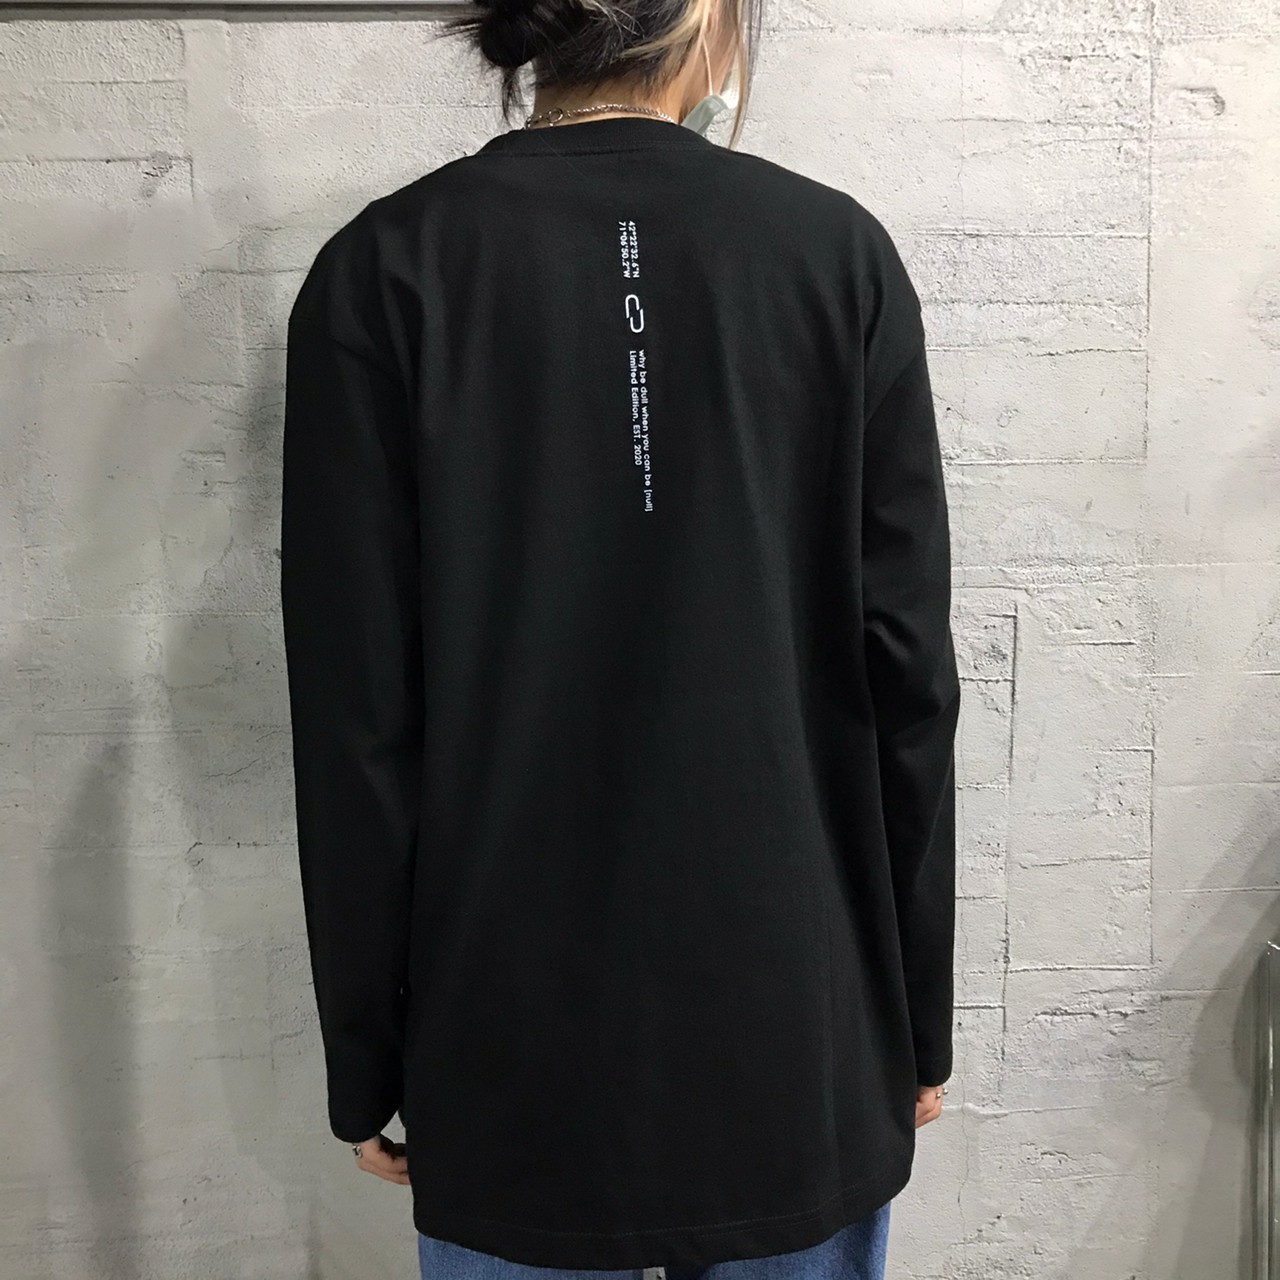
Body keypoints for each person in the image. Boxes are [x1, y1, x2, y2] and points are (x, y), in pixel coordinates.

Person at [277, 0, 961, 1273]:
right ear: (705, 14)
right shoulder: (834, 255)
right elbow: (907, 679)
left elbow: (356, 719)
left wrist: (365, 1054)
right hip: (797, 1033)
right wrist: (913, 1013)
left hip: (504, 1046)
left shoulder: (385, 268)